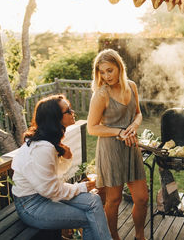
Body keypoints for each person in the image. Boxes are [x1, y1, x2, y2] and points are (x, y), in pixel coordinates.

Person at [11, 94, 112, 240]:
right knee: (89, 218)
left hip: (43, 195)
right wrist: (82, 187)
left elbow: (55, 174)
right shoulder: (42, 148)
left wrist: (67, 156)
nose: (73, 112)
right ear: (55, 118)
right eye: (68, 111)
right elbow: (51, 191)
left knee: (94, 200)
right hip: (31, 205)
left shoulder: (48, 143)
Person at [87, 49, 148, 240]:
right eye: (102, 72)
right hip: (110, 150)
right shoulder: (101, 95)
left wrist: (134, 125)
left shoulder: (131, 86)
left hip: (131, 148)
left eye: (110, 70)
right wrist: (119, 131)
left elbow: (138, 113)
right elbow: (92, 128)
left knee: (142, 198)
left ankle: (139, 235)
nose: (106, 76)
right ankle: (113, 237)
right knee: (113, 199)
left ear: (119, 67)